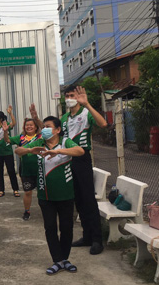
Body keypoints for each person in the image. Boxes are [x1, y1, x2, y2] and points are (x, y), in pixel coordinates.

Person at [15, 116, 84, 275]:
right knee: (50, 228)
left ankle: (64, 259)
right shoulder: (39, 143)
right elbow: (18, 151)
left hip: (66, 194)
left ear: (58, 130)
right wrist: (30, 150)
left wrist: (58, 151)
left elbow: (80, 151)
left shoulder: (65, 142)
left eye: (48, 126)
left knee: (66, 228)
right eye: (44, 127)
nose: (45, 129)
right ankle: (57, 260)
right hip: (45, 195)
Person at [63, 85, 107, 255]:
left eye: (72, 95)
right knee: (78, 200)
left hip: (82, 158)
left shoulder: (86, 113)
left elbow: (103, 123)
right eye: (67, 96)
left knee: (88, 199)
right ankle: (87, 236)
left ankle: (97, 239)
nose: (69, 98)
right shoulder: (65, 117)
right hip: (68, 158)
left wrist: (87, 104)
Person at [4, 109, 42, 220]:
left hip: (40, 169)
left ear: (36, 127)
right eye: (27, 125)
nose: (28, 127)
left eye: (31, 125)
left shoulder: (41, 137)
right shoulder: (21, 137)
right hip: (26, 170)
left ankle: (47, 210)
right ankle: (27, 211)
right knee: (28, 192)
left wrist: (36, 118)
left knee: (42, 193)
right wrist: (5, 131)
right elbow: (8, 140)